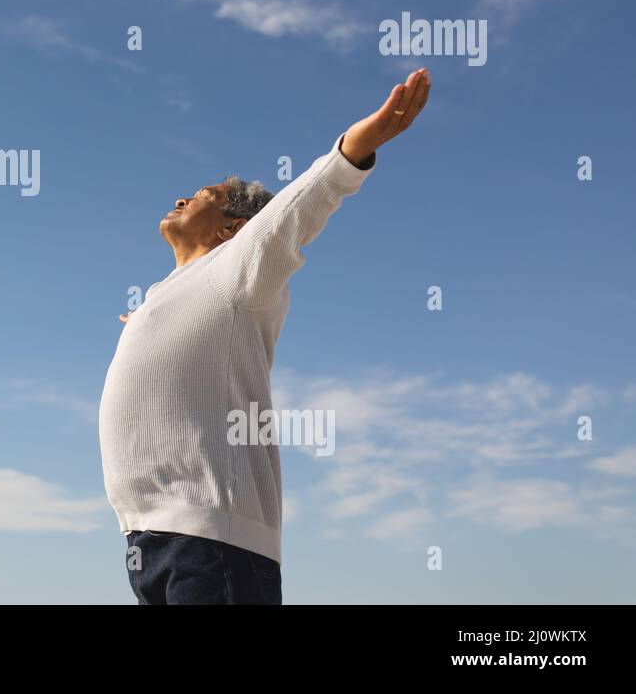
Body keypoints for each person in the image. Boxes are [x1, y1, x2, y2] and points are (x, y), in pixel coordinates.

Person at [98, 68, 432, 604]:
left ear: (233, 227)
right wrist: (144, 324)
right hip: (149, 540)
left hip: (211, 539)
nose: (182, 197)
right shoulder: (168, 291)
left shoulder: (241, 265)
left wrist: (354, 150)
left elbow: (294, 213)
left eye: (203, 194)